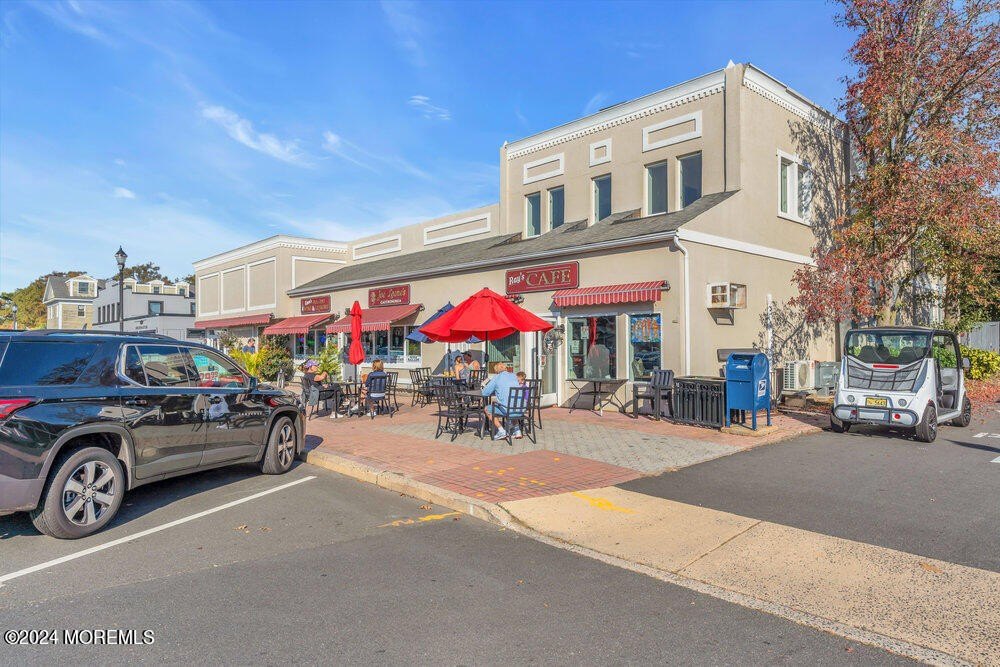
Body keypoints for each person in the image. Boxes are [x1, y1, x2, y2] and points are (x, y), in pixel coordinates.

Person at [481, 361, 523, 440]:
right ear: (505, 368)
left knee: (487, 409)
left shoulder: (497, 377)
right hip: (520, 409)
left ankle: (501, 431)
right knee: (512, 403)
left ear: (496, 371)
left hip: (508, 410)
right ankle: (517, 431)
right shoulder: (514, 376)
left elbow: (485, 393)